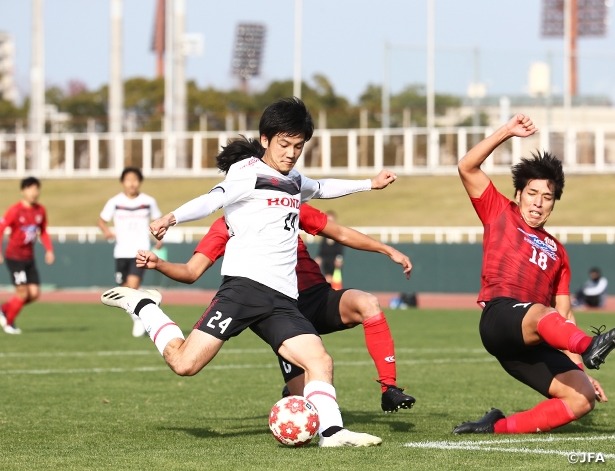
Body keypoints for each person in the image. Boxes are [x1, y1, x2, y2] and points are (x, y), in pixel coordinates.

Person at [101, 97, 396, 447]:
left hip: (283, 298)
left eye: (298, 147)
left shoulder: (294, 180)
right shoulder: (248, 172)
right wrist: (172, 217)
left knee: (320, 360)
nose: (290, 153)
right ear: (266, 139)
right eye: (284, 144)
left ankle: (332, 432)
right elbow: (212, 199)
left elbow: (323, 187)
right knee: (184, 364)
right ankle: (145, 308)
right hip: (243, 290)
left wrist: (369, 183)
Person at [136, 200, 416, 413]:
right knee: (312, 412)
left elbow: (340, 232)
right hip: (280, 310)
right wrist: (158, 264)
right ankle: (296, 394)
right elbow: (191, 271)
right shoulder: (225, 225)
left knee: (367, 302)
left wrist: (388, 249)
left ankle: (389, 388)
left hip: (317, 298)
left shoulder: (288, 204)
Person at [453, 114, 614, 435]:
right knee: (541, 311)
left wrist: (578, 366)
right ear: (518, 194)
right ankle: (591, 344)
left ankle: (494, 427)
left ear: (554, 204)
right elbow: (466, 167)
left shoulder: (559, 252)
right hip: (501, 319)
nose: (538, 203)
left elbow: (564, 314)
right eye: (532, 193)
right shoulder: (499, 211)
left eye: (547, 197)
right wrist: (507, 132)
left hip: (535, 340)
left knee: (582, 399)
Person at [98, 167, 163, 337]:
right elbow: (101, 220)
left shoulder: (148, 201)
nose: (132, 183)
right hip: (121, 251)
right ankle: (144, 311)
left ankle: (140, 320)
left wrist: (159, 238)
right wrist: (106, 231)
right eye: (128, 179)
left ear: (139, 181)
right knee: (124, 289)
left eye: (135, 179)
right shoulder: (115, 202)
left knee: (132, 286)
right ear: (123, 182)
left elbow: (158, 221)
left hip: (140, 250)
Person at [0, 176, 55, 334]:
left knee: (34, 294)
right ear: (23, 191)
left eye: (36, 189)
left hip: (29, 257)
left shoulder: (40, 210)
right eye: (30, 189)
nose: (34, 192)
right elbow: (0, 230)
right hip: (15, 257)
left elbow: (44, 231)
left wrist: (49, 249)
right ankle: (9, 323)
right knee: (22, 293)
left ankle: (4, 308)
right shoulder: (15, 210)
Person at [315, 211, 344, 289]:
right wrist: (319, 257)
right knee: (326, 278)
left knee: (334, 280)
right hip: (326, 260)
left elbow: (340, 249)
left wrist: (339, 258)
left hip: (334, 261)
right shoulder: (324, 235)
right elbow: (322, 249)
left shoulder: (337, 234)